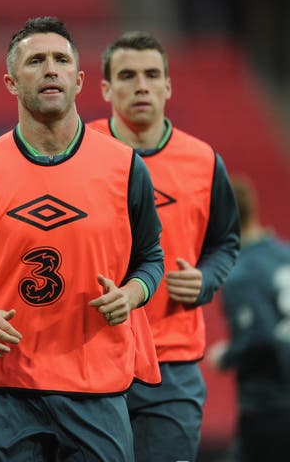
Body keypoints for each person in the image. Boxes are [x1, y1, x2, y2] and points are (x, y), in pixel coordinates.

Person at [0, 16, 164, 461]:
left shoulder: (125, 168)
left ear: (79, 79)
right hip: (2, 387)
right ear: (11, 82)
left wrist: (132, 293)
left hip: (97, 386)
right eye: (36, 60)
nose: (50, 69)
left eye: (61, 60)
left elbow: (151, 258)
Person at [88, 31, 240, 461]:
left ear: (168, 86)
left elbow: (225, 241)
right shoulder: (81, 153)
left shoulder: (204, 162)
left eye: (152, 74)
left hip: (171, 360)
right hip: (92, 357)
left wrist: (205, 279)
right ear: (104, 88)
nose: (141, 85)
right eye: (127, 75)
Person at [207, 177, 290, 462]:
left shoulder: (240, 273)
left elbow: (260, 336)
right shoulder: (285, 254)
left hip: (268, 404)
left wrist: (225, 356)